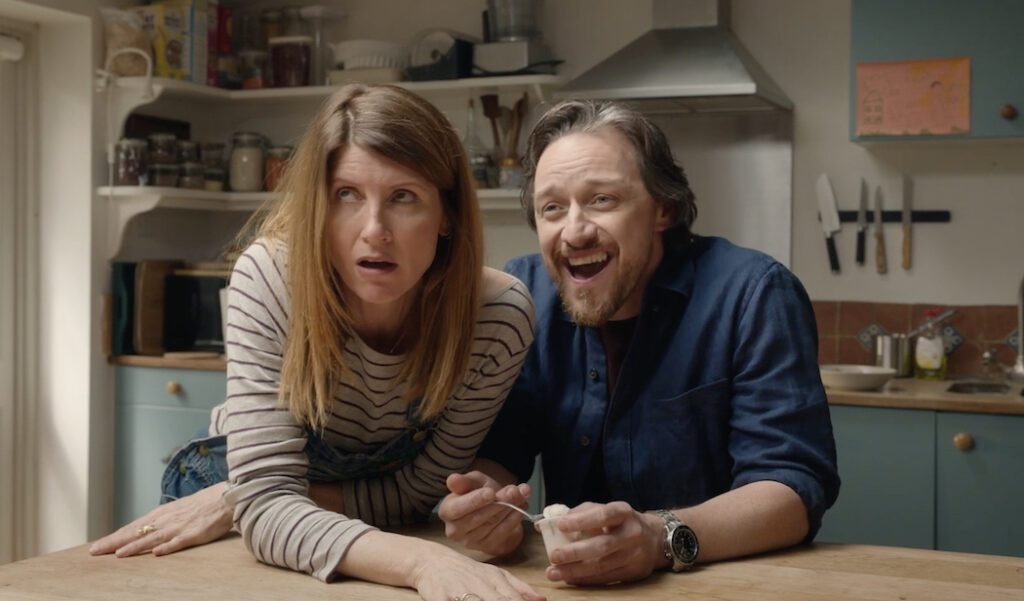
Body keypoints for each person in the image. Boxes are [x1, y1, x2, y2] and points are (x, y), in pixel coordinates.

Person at [91, 84, 544, 601]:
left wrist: (255, 502)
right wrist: (421, 561)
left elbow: (421, 490)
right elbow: (266, 507)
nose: (374, 230)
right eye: (346, 194)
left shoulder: (497, 316)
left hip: (305, 518)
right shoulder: (269, 278)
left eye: (404, 197)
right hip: (234, 517)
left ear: (448, 215)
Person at [438, 99, 840, 586]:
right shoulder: (522, 299)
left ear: (662, 209)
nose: (574, 231)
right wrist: (487, 506)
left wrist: (657, 536)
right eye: (552, 208)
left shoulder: (753, 293)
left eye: (602, 200)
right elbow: (504, 451)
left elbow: (792, 490)